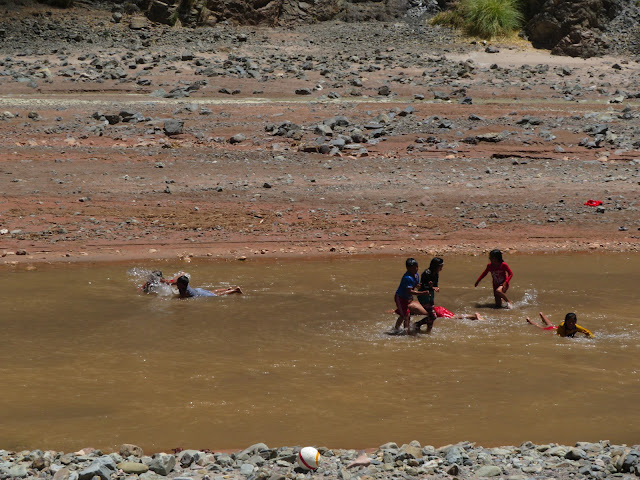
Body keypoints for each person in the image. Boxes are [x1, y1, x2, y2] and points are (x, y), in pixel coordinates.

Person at [414, 257, 444, 333]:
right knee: (433, 316)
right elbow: (422, 286)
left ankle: (428, 332)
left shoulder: (436, 274)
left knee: (431, 315)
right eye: (440, 266)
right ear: (436, 266)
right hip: (423, 295)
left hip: (430, 295)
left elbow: (435, 284)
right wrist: (431, 286)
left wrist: (435, 287)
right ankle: (417, 324)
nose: (441, 268)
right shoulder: (426, 273)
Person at [392, 258, 422, 334]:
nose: (415, 269)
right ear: (407, 268)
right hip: (401, 298)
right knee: (406, 315)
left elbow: (417, 286)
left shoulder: (416, 275)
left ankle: (396, 329)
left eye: (416, 267)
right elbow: (410, 291)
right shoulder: (407, 278)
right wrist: (423, 293)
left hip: (407, 297)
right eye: (412, 268)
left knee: (403, 315)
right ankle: (406, 332)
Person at [526, 312, 594, 338]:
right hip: (553, 330)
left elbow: (587, 332)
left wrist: (591, 337)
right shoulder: (562, 326)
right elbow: (562, 337)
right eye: (569, 322)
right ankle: (530, 321)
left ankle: (542, 315)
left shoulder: (576, 326)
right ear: (565, 322)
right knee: (542, 328)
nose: (571, 324)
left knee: (550, 324)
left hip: (555, 328)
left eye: (573, 322)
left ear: (575, 322)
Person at [175, 275, 243, 298]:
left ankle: (235, 290)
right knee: (212, 292)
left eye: (178, 283)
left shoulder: (185, 292)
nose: (177, 284)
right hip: (198, 290)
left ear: (182, 285)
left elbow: (181, 298)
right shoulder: (184, 284)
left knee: (216, 295)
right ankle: (227, 289)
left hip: (200, 294)